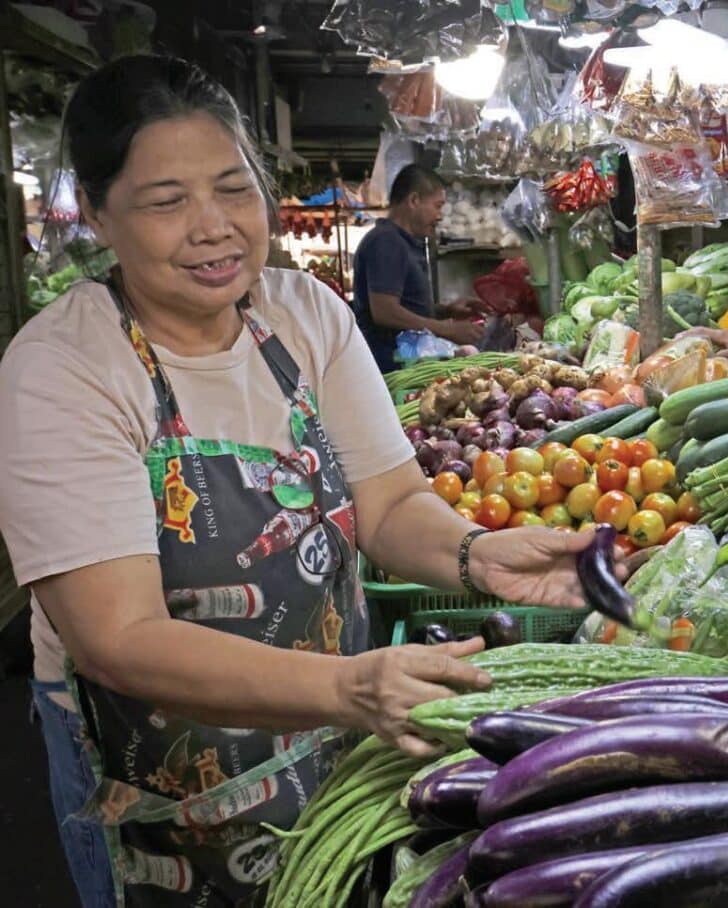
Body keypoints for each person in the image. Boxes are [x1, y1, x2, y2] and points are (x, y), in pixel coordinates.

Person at [0, 56, 603, 907]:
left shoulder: (303, 315)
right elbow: (117, 635)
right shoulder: (65, 369)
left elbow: (390, 503)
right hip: (164, 797)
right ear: (98, 214)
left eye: (232, 188)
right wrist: (345, 688)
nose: (213, 228)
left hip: (333, 745)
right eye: (167, 202)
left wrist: (476, 555)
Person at [352, 163, 482, 372]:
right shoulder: (386, 242)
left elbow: (406, 306)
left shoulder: (401, 242)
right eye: (437, 206)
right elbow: (385, 311)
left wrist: (446, 310)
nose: (440, 216)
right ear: (414, 200)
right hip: (390, 367)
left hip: (407, 361)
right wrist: (446, 329)